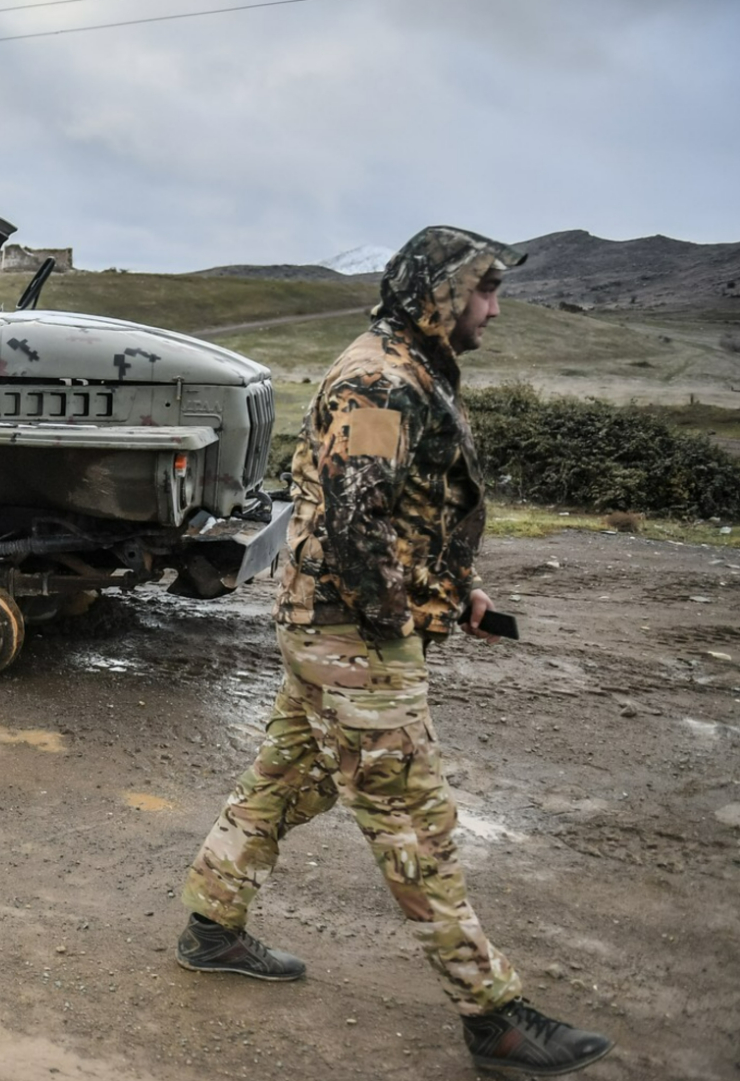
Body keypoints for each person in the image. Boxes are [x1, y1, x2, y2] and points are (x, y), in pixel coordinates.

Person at [173, 226, 615, 1076]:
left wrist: (459, 589)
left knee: (284, 780)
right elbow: (356, 525)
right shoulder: (379, 379)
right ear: (440, 295)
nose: (494, 308)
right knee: (414, 818)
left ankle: (211, 926)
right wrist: (403, 622)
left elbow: (409, 513)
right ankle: (493, 1018)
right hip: (354, 636)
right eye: (484, 291)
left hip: (329, 628)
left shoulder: (410, 368)